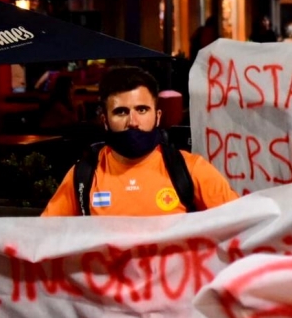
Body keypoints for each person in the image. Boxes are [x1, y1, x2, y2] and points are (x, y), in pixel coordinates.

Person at [41, 66, 239, 216]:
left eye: (142, 110)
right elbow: (43, 239)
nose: (133, 122)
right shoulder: (83, 176)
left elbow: (242, 224)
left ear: (158, 116)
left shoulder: (191, 170)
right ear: (105, 121)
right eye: (121, 112)